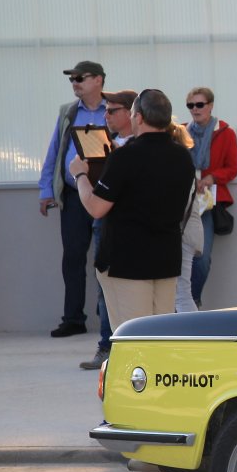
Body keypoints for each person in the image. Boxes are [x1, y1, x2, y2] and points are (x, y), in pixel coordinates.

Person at [65, 89, 195, 327]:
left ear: (139, 117)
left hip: (126, 263)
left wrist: (80, 175)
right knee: (160, 336)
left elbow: (96, 208)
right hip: (165, 260)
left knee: (132, 337)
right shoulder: (183, 156)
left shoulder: (125, 157)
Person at [39, 60, 110, 338]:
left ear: (98, 80)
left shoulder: (115, 109)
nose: (75, 83)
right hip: (72, 195)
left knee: (106, 257)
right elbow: (55, 151)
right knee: (72, 257)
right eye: (72, 79)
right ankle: (73, 319)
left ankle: (108, 319)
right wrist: (46, 190)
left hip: (106, 194)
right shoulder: (67, 112)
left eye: (80, 78)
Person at [79, 91, 140, 370]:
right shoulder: (104, 143)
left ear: (131, 113)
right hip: (104, 218)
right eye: (106, 110)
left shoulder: (141, 146)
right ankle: (107, 346)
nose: (106, 116)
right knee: (105, 286)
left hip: (133, 224)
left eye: (112, 110)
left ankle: (131, 348)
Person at [186, 87, 237, 308]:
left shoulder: (225, 132)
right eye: (191, 105)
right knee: (178, 258)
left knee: (202, 258)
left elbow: (232, 169)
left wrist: (211, 178)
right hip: (184, 202)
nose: (195, 110)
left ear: (210, 106)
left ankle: (192, 300)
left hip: (207, 204)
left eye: (200, 105)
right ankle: (182, 304)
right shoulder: (182, 132)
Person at [168, 122, 205, 314]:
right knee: (181, 293)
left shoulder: (178, 165)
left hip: (183, 234)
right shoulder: (184, 162)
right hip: (189, 233)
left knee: (181, 293)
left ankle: (194, 330)